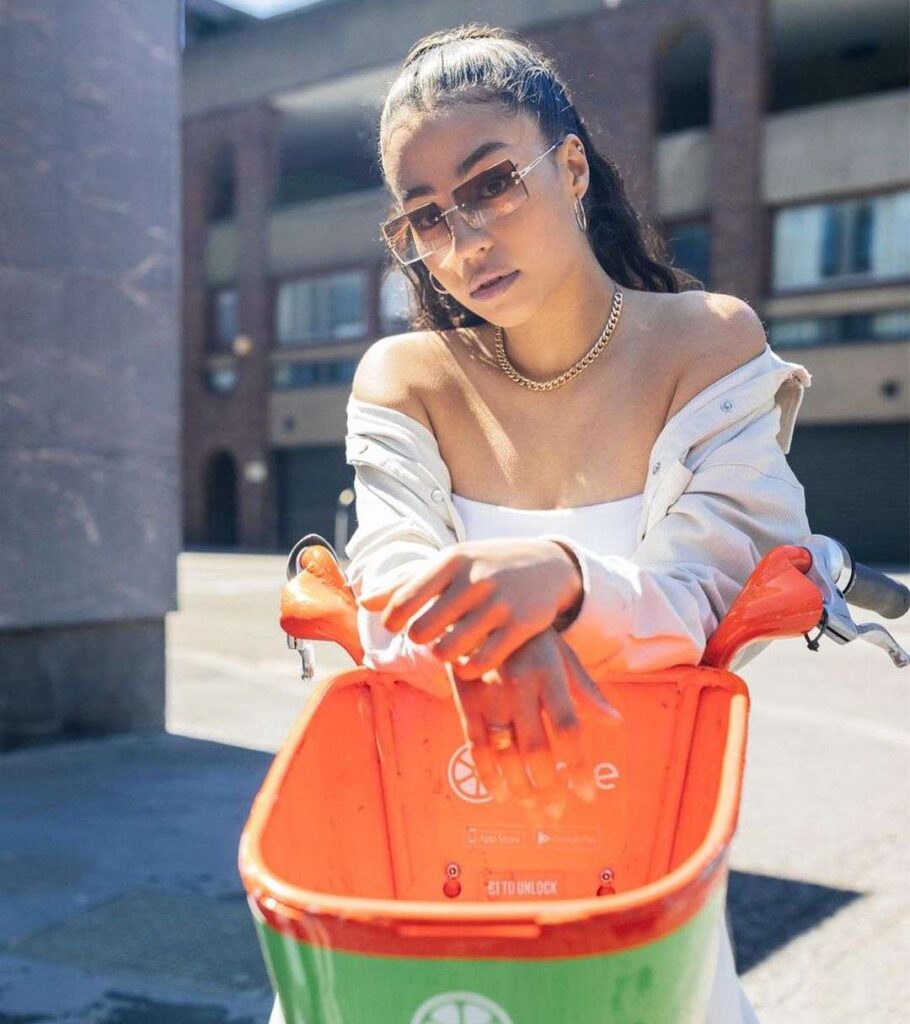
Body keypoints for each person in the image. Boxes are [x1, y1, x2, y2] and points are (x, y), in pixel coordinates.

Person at [270, 22, 814, 1024]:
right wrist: (495, 636)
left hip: (642, 862)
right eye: (425, 217)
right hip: (427, 853)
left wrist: (562, 582)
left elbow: (714, 591)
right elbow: (388, 572)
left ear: (569, 168)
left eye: (490, 184)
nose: (465, 238)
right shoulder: (407, 378)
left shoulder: (706, 342)